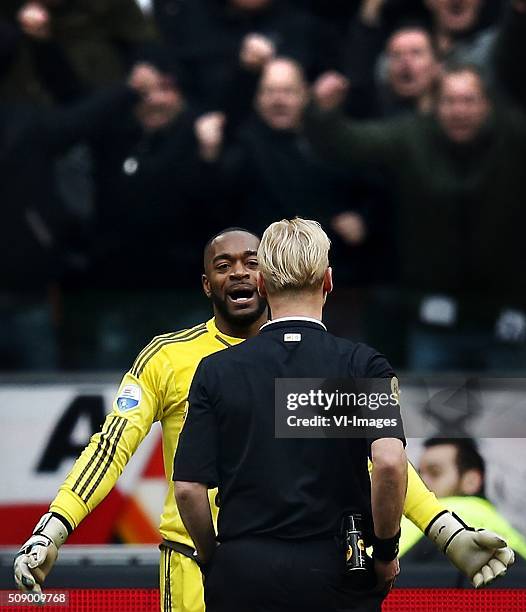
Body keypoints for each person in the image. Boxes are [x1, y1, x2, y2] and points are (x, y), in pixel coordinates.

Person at [13, 227, 514, 610]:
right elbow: (110, 447)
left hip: (250, 568)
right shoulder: (168, 358)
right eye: (223, 264)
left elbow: (378, 465)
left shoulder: (296, 364)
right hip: (196, 563)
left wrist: (444, 529)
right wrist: (54, 526)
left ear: (269, 276)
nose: (238, 273)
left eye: (251, 262)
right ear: (205, 282)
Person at [173, 218, 513, 612]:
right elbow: (389, 463)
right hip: (335, 572)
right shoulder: (360, 366)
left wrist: (217, 558)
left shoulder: (216, 371)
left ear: (263, 284)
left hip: (242, 574)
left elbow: (188, 489)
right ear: (328, 281)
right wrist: (385, 552)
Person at [305, 60, 526, 371]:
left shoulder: (514, 137)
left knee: (514, 419)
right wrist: (324, 114)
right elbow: (348, 144)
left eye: (469, 100)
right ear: (435, 105)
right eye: (450, 101)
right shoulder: (412, 137)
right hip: (434, 316)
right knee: (430, 415)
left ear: (487, 104)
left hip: (508, 317)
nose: (459, 111)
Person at [400, 438, 526, 560]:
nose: (421, 481)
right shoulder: (502, 525)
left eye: (435, 472)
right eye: (419, 474)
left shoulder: (443, 512)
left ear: (471, 481)